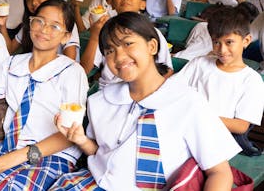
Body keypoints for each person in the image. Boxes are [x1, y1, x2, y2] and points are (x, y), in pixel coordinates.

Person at [49, 12, 241, 191]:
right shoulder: (99, 101)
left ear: (152, 47)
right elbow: (103, 154)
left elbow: (220, 172)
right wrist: (81, 140)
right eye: (109, 50)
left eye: (128, 44)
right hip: (93, 183)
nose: (119, 56)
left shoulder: (188, 102)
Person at [0, 0, 89, 190]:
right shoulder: (12, 64)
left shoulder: (72, 72)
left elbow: (69, 134)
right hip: (7, 149)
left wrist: (19, 156)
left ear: (66, 37)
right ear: (30, 24)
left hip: (50, 156)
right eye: (39, 21)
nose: (44, 29)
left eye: (54, 26)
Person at [174, 6, 264, 138]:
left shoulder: (251, 80)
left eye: (229, 42)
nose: (222, 50)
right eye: (216, 42)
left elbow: (241, 126)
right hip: (183, 130)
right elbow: (172, 89)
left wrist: (199, 117)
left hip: (216, 138)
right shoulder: (199, 63)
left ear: (246, 41)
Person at [81, 0, 173, 88]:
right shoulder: (106, 31)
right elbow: (85, 70)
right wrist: (95, 36)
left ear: (143, 4)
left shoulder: (152, 32)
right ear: (113, 4)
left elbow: (167, 71)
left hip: (144, 89)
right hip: (109, 89)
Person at [0, 0, 80, 61]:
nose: (34, 2)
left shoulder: (64, 23)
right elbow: (9, 50)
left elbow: (70, 59)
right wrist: (2, 25)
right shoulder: (31, 24)